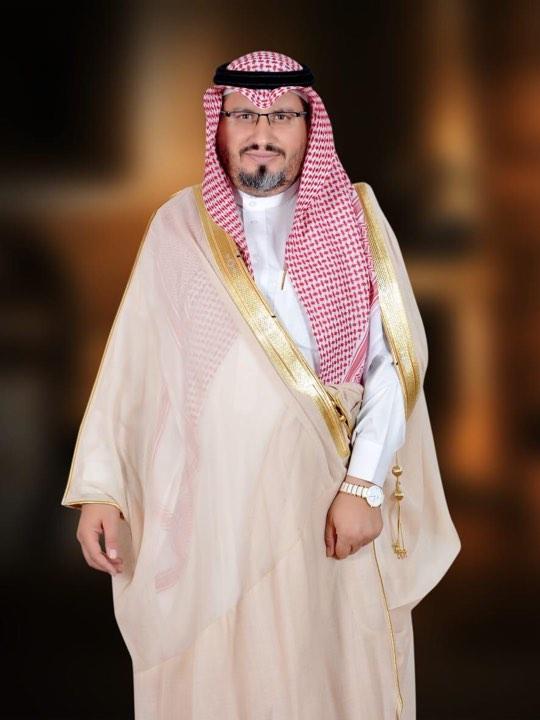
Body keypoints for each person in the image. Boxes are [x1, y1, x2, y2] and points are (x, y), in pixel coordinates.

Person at [61, 50, 461, 719]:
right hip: (208, 516)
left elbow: (391, 363)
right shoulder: (179, 226)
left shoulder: (357, 218)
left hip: (324, 504)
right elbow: (134, 363)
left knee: (320, 678)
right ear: (218, 125)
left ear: (310, 124)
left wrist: (363, 487)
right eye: (244, 114)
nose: (262, 131)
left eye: (282, 115)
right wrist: (104, 489)